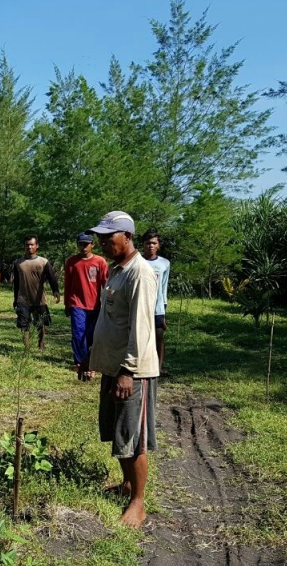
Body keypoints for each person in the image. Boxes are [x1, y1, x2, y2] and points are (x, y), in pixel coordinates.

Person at [87, 210, 159, 529]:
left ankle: (138, 502)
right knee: (119, 433)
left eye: (108, 237)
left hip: (132, 371)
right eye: (100, 237)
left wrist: (128, 371)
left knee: (133, 436)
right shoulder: (117, 270)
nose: (102, 242)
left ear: (127, 237)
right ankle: (127, 485)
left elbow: (141, 328)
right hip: (114, 366)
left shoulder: (140, 273)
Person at [64, 232, 109, 381]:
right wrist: (67, 304)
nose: (83, 247)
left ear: (92, 245)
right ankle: (80, 362)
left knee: (92, 336)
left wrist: (108, 304)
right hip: (77, 304)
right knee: (78, 334)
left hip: (95, 305)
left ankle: (92, 364)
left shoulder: (100, 262)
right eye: (80, 244)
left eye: (86, 244)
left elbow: (106, 284)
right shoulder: (71, 262)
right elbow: (67, 284)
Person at [13, 235, 60, 350]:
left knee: (41, 323)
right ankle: (26, 347)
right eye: (27, 245)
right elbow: (16, 283)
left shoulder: (43, 262)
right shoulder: (18, 263)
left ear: (37, 246)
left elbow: (52, 278)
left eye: (32, 244)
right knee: (24, 324)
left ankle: (41, 343)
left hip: (39, 299)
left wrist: (56, 291)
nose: (29, 247)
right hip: (23, 299)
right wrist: (15, 299)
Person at [142, 230, 171, 378]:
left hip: (157, 307)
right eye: (148, 243)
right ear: (143, 245)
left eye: (154, 243)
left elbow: (163, 287)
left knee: (158, 336)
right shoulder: (138, 262)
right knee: (141, 337)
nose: (151, 246)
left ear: (158, 245)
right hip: (141, 307)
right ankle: (142, 366)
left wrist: (164, 310)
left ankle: (158, 368)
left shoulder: (165, 263)